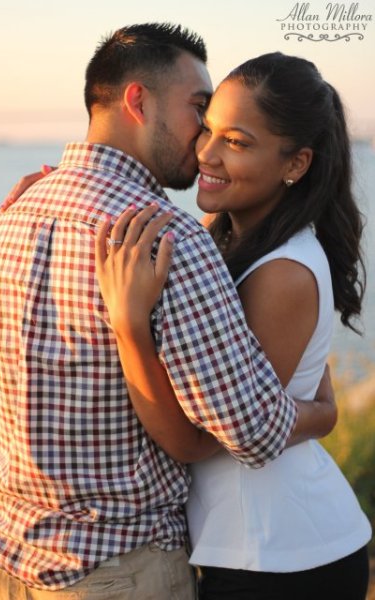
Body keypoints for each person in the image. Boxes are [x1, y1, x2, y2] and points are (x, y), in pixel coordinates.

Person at [0, 23, 335, 598]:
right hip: (121, 569)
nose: (202, 139)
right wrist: (322, 409)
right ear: (137, 101)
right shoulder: (167, 240)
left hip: (5, 558)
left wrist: (45, 499)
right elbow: (251, 430)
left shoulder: (5, 221)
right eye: (199, 108)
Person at [94, 52, 371, 599]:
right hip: (246, 547)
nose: (206, 154)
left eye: (237, 142)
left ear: (295, 164)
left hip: (283, 558)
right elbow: (314, 388)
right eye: (208, 129)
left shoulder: (284, 273)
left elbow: (195, 441)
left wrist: (130, 327)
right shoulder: (220, 234)